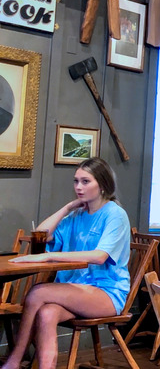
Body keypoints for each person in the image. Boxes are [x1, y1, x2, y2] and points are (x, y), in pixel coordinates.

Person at [2, 158, 130, 369]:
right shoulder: (76, 214)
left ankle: (14, 360)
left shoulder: (115, 214)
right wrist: (68, 207)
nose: (79, 187)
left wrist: (48, 256)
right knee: (46, 313)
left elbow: (99, 256)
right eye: (76, 181)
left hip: (106, 292)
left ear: (103, 184)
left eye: (86, 181)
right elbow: (41, 235)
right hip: (75, 290)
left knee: (37, 293)